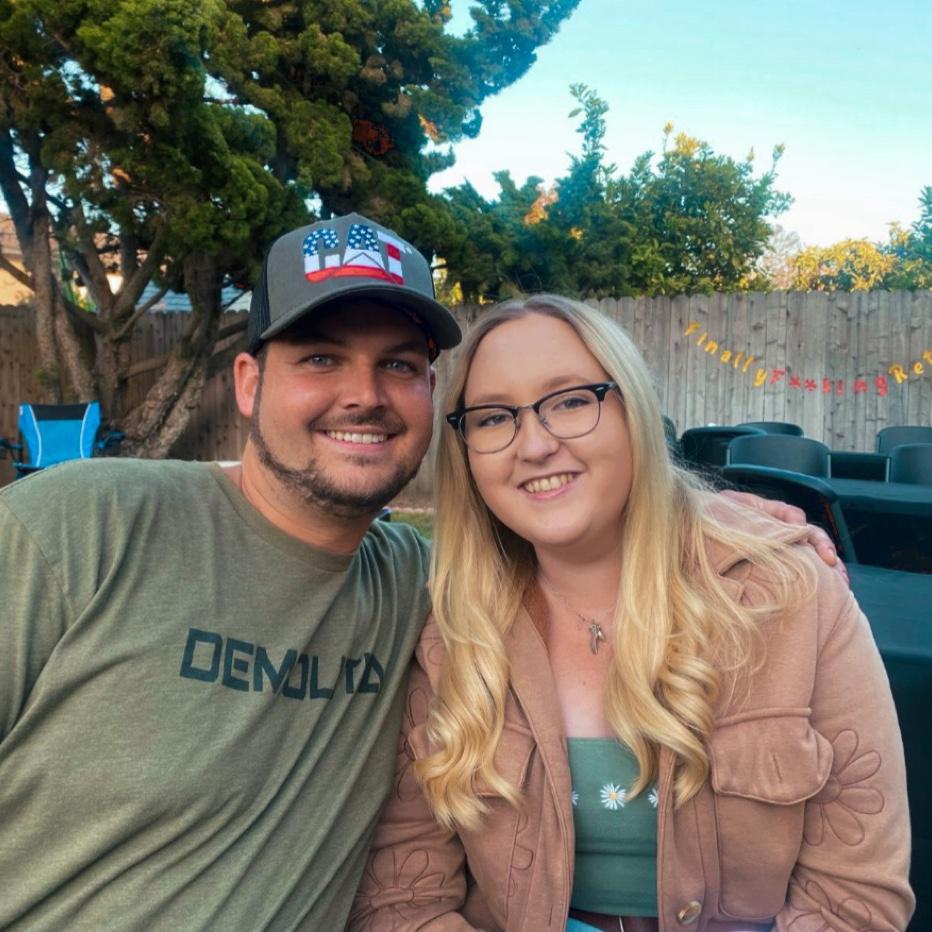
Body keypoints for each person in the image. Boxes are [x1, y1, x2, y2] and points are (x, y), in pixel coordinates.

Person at [0, 213, 843, 930]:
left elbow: (579, 534)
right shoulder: (83, 524)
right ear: (249, 383)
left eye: (399, 365)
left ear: (432, 396)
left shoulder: (434, 588)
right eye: (321, 358)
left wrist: (718, 521)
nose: (364, 394)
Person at [350, 295, 913, 932]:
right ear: (467, 449)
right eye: (493, 417)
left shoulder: (791, 595)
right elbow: (404, 899)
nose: (533, 445)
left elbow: (854, 901)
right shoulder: (450, 626)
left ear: (633, 412)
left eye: (571, 401)